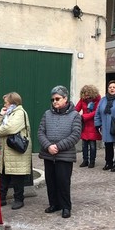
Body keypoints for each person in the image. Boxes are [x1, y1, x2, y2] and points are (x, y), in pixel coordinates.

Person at [38, 86, 81, 219]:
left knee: (63, 181)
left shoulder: (74, 115)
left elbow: (75, 134)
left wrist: (58, 146)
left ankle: (66, 206)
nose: (55, 101)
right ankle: (54, 204)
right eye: (52, 99)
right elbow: (40, 132)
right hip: (48, 154)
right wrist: (48, 146)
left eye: (57, 98)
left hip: (65, 154)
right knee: (50, 181)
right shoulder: (47, 114)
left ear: (65, 99)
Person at [0, 92, 32, 210]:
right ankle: (1, 199)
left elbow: (10, 128)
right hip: (5, 150)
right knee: (3, 174)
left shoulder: (19, 113)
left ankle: (19, 199)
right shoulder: (7, 113)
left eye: (6, 102)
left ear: (13, 103)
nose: (5, 105)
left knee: (17, 176)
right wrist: (0, 115)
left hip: (15, 150)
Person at [75, 85, 102, 168]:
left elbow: (97, 112)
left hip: (93, 124)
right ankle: (85, 160)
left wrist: (84, 116)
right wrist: (73, 115)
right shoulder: (82, 100)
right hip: (84, 125)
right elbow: (76, 109)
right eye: (85, 94)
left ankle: (92, 161)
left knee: (92, 145)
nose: (86, 96)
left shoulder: (97, 100)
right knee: (84, 144)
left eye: (88, 94)